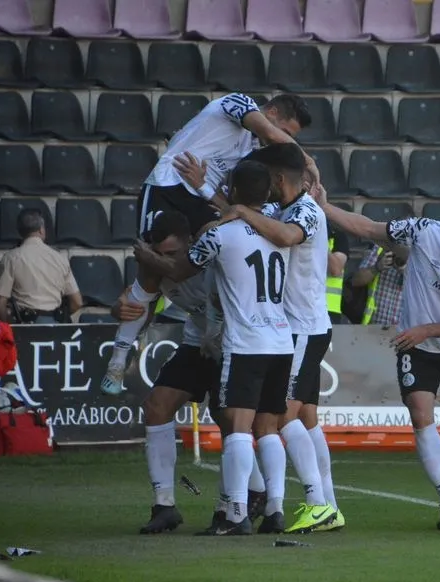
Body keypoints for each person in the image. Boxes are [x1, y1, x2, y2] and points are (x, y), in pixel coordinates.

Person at [133, 159, 335, 536]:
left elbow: (181, 271)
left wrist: (148, 258)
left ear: (237, 192)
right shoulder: (279, 232)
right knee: (269, 427)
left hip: (244, 341)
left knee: (239, 428)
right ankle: (274, 508)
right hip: (280, 338)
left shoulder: (218, 235)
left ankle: (237, 513)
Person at [315, 183, 440, 530]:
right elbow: (369, 228)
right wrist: (325, 207)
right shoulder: (425, 231)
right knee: (422, 416)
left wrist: (427, 329)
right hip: (416, 347)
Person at [100, 93, 315, 396]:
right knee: (151, 262)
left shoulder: (252, 152)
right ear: (272, 111)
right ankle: (119, 358)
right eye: (287, 132)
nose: (282, 141)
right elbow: (271, 134)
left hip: (201, 195)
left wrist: (204, 186)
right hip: (169, 186)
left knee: (222, 245)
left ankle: (212, 328)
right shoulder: (236, 103)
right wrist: (308, 163)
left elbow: (235, 205)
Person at [111, 202, 269, 535]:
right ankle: (164, 505)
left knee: (229, 420)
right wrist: (123, 313)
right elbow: (143, 307)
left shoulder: (213, 252)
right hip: (197, 341)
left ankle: (238, 502)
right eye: (159, 253)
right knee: (156, 406)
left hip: (235, 342)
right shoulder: (155, 265)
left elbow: (219, 304)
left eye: (172, 253)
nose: (165, 261)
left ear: (189, 243)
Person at [215, 144, 344, 533]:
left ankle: (317, 503)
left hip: (303, 326)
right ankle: (329, 505)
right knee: (305, 418)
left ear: (278, 178)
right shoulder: (285, 209)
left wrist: (240, 210)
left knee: (282, 417)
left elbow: (287, 236)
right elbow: (249, 217)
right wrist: (218, 197)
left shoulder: (305, 210)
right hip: (298, 328)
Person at [0, 208, 82, 324]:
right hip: (56, 326)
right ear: (41, 230)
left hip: (25, 327)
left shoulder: (10, 258)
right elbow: (77, 302)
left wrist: (8, 329)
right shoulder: (60, 258)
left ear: (20, 232)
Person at [352, 242, 406, 326]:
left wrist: (405, 271)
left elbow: (428, 288)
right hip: (375, 326)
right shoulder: (381, 248)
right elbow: (356, 280)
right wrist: (378, 267)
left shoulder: (421, 253)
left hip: (406, 330)